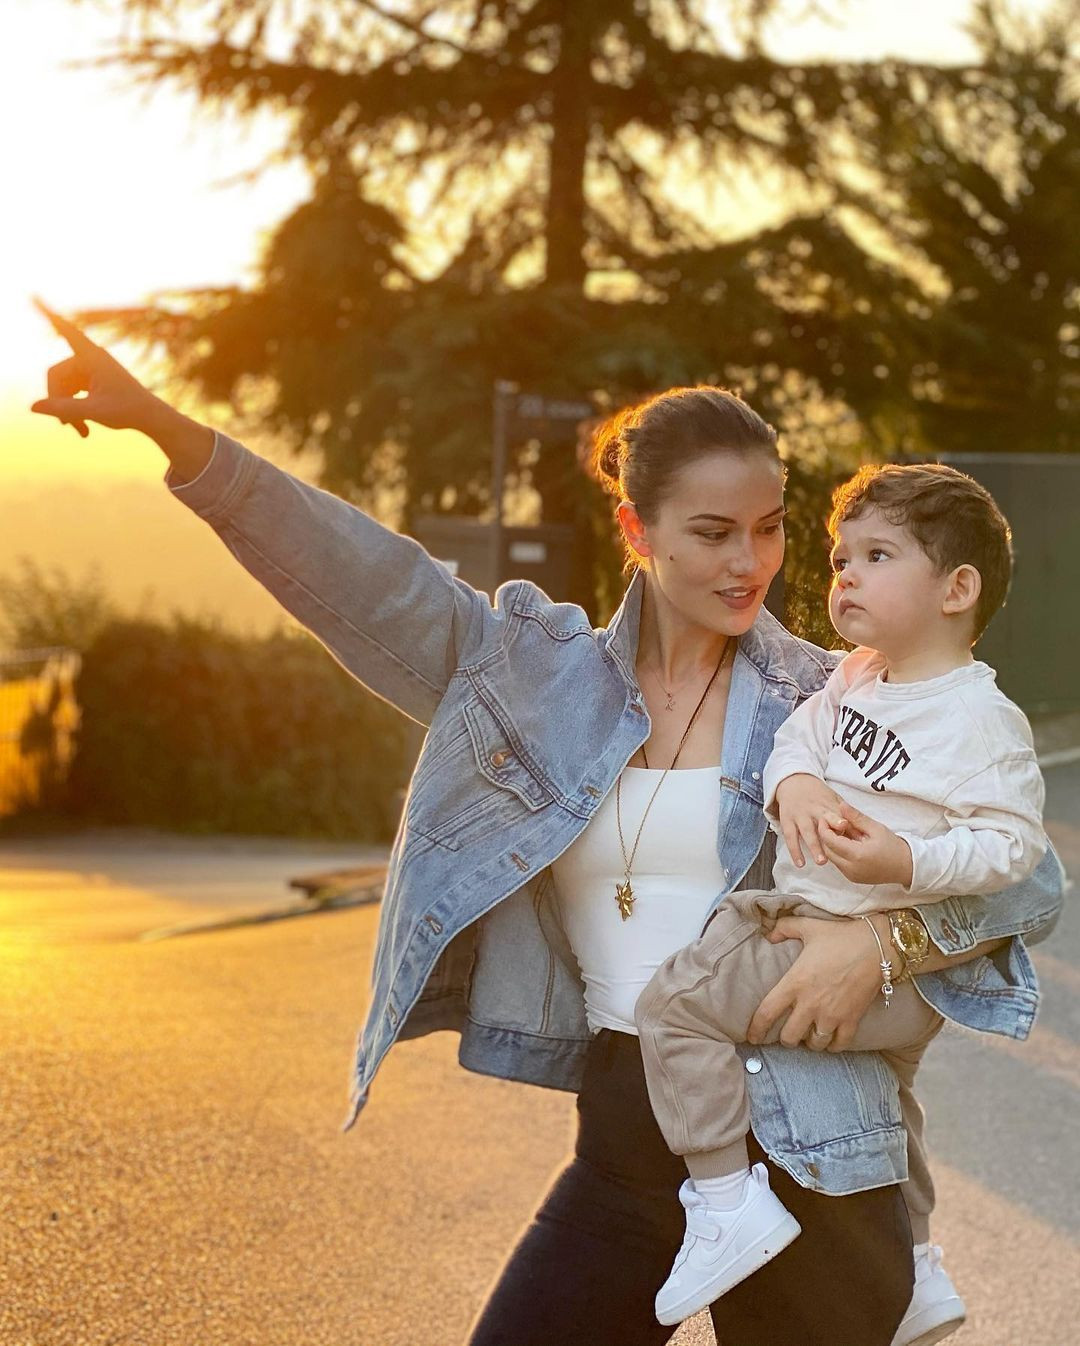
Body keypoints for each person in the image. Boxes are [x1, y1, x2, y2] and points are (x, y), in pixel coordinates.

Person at [30, 303, 1064, 1346]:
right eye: (711, 532)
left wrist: (882, 940)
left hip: (816, 1149)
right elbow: (361, 575)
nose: (751, 561)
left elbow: (1029, 880)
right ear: (636, 530)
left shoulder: (833, 697)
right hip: (627, 1135)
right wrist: (168, 427)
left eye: (771, 525)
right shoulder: (532, 675)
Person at [633, 462, 1047, 1338]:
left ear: (956, 588)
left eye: (876, 554)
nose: (843, 573)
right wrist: (798, 791)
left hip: (869, 958)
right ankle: (922, 1265)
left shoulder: (980, 720)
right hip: (827, 932)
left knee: (674, 1004)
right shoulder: (858, 675)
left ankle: (721, 1199)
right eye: (839, 555)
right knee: (893, 1106)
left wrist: (909, 856)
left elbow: (1018, 851)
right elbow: (797, 742)